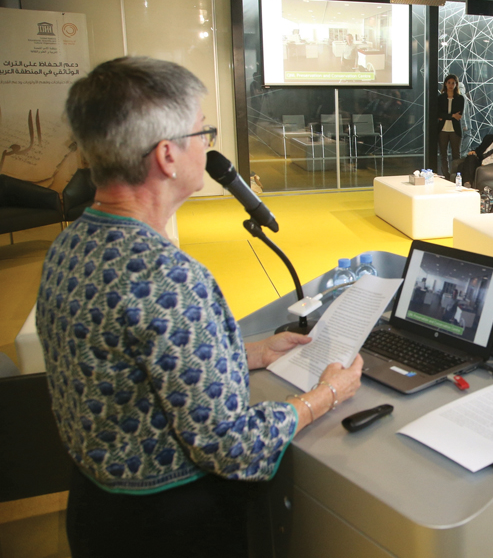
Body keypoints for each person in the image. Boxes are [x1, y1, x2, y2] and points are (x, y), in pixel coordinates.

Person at [38, 57, 364, 557]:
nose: (210, 145)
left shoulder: (69, 245)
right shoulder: (170, 276)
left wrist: (250, 351)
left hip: (95, 509)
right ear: (167, 156)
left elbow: (136, 365)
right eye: (203, 131)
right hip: (169, 527)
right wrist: (327, 394)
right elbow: (234, 447)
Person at [437, 74, 465, 180]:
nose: (450, 85)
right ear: (445, 84)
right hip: (442, 130)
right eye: (449, 83)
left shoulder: (460, 98)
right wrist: (452, 115)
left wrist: (446, 116)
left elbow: (459, 116)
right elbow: (438, 114)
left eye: (453, 83)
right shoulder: (440, 98)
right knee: (443, 155)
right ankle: (446, 175)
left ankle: (455, 176)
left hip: (455, 130)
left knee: (456, 155)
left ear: (456, 85)